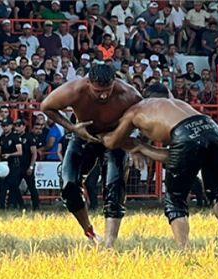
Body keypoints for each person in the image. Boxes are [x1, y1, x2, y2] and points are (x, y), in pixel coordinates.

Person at [73, 83, 218, 247]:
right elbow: (175, 156)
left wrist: (95, 133)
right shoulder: (178, 104)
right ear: (167, 95)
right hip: (213, 129)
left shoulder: (136, 110)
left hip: (184, 134)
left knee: (175, 199)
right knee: (217, 190)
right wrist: (142, 147)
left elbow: (112, 143)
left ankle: (183, 248)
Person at [40, 64, 143, 246]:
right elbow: (46, 106)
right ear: (88, 83)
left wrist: (136, 144)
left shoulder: (129, 94)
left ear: (115, 83)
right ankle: (90, 231)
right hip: (84, 136)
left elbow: (144, 118)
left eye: (108, 90)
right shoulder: (74, 90)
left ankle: (110, 242)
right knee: (68, 184)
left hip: (115, 138)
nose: (103, 95)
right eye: (98, 91)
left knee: (114, 185)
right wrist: (72, 128)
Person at [0, 117, 24, 210]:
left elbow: (20, 152)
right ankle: (1, 204)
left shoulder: (15, 137)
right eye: (3, 126)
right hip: (3, 164)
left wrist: (10, 155)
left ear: (11, 126)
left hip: (13, 164)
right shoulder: (2, 137)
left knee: (13, 185)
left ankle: (20, 204)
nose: (5, 128)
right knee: (1, 185)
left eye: (7, 125)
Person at [15, 119, 40, 210]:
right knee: (14, 186)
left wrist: (31, 166)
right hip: (18, 166)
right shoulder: (15, 137)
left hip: (27, 165)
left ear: (24, 127)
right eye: (16, 126)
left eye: (19, 126)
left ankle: (36, 205)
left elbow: (34, 153)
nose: (17, 128)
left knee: (31, 186)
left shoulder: (29, 137)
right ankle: (17, 204)